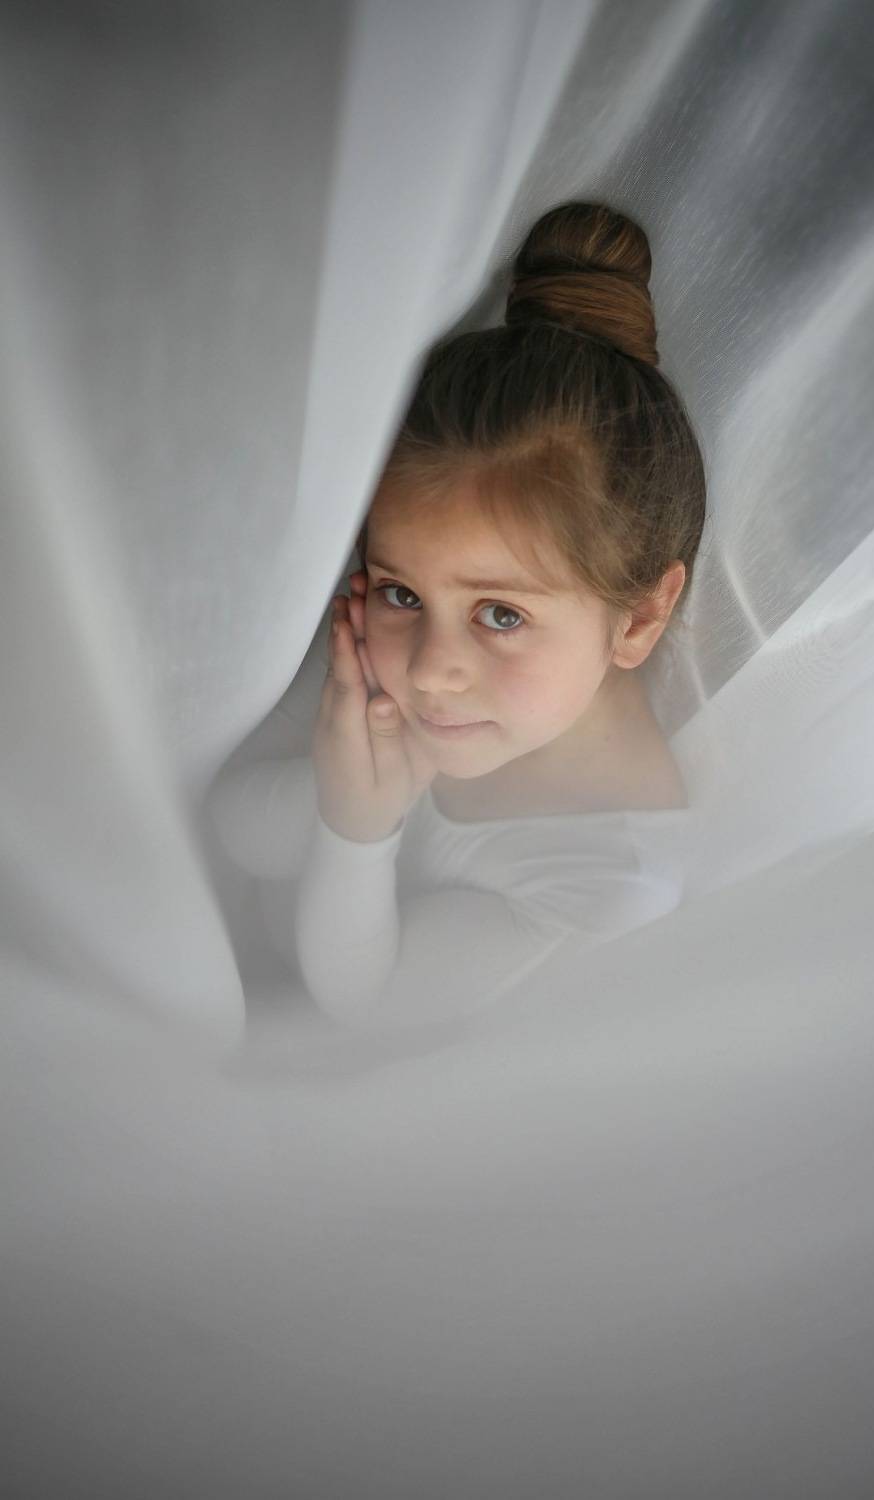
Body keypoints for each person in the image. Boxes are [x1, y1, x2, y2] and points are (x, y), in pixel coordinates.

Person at [207, 201, 707, 1033]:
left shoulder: (610, 878)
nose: (430, 670)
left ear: (639, 617)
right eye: (403, 592)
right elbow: (235, 828)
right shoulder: (382, 631)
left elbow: (366, 1011)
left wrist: (357, 828)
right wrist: (336, 790)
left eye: (500, 614)